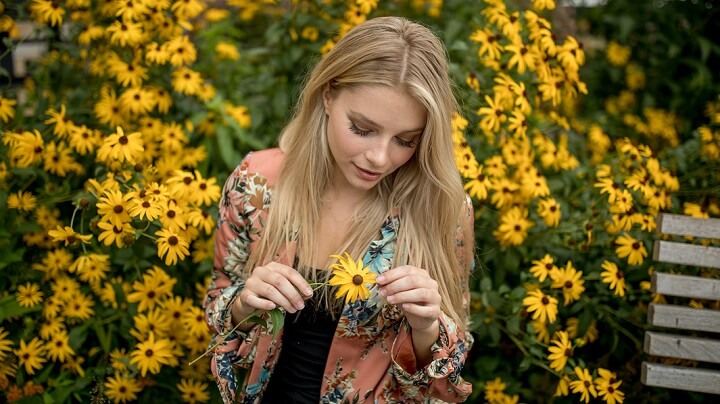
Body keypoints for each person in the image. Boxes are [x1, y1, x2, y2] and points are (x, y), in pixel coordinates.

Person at [203, 16, 475, 403]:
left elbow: (443, 380)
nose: (379, 158)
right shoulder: (256, 185)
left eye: (406, 140)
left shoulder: (441, 210)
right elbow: (217, 309)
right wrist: (245, 301)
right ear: (328, 95)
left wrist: (427, 326)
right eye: (362, 129)